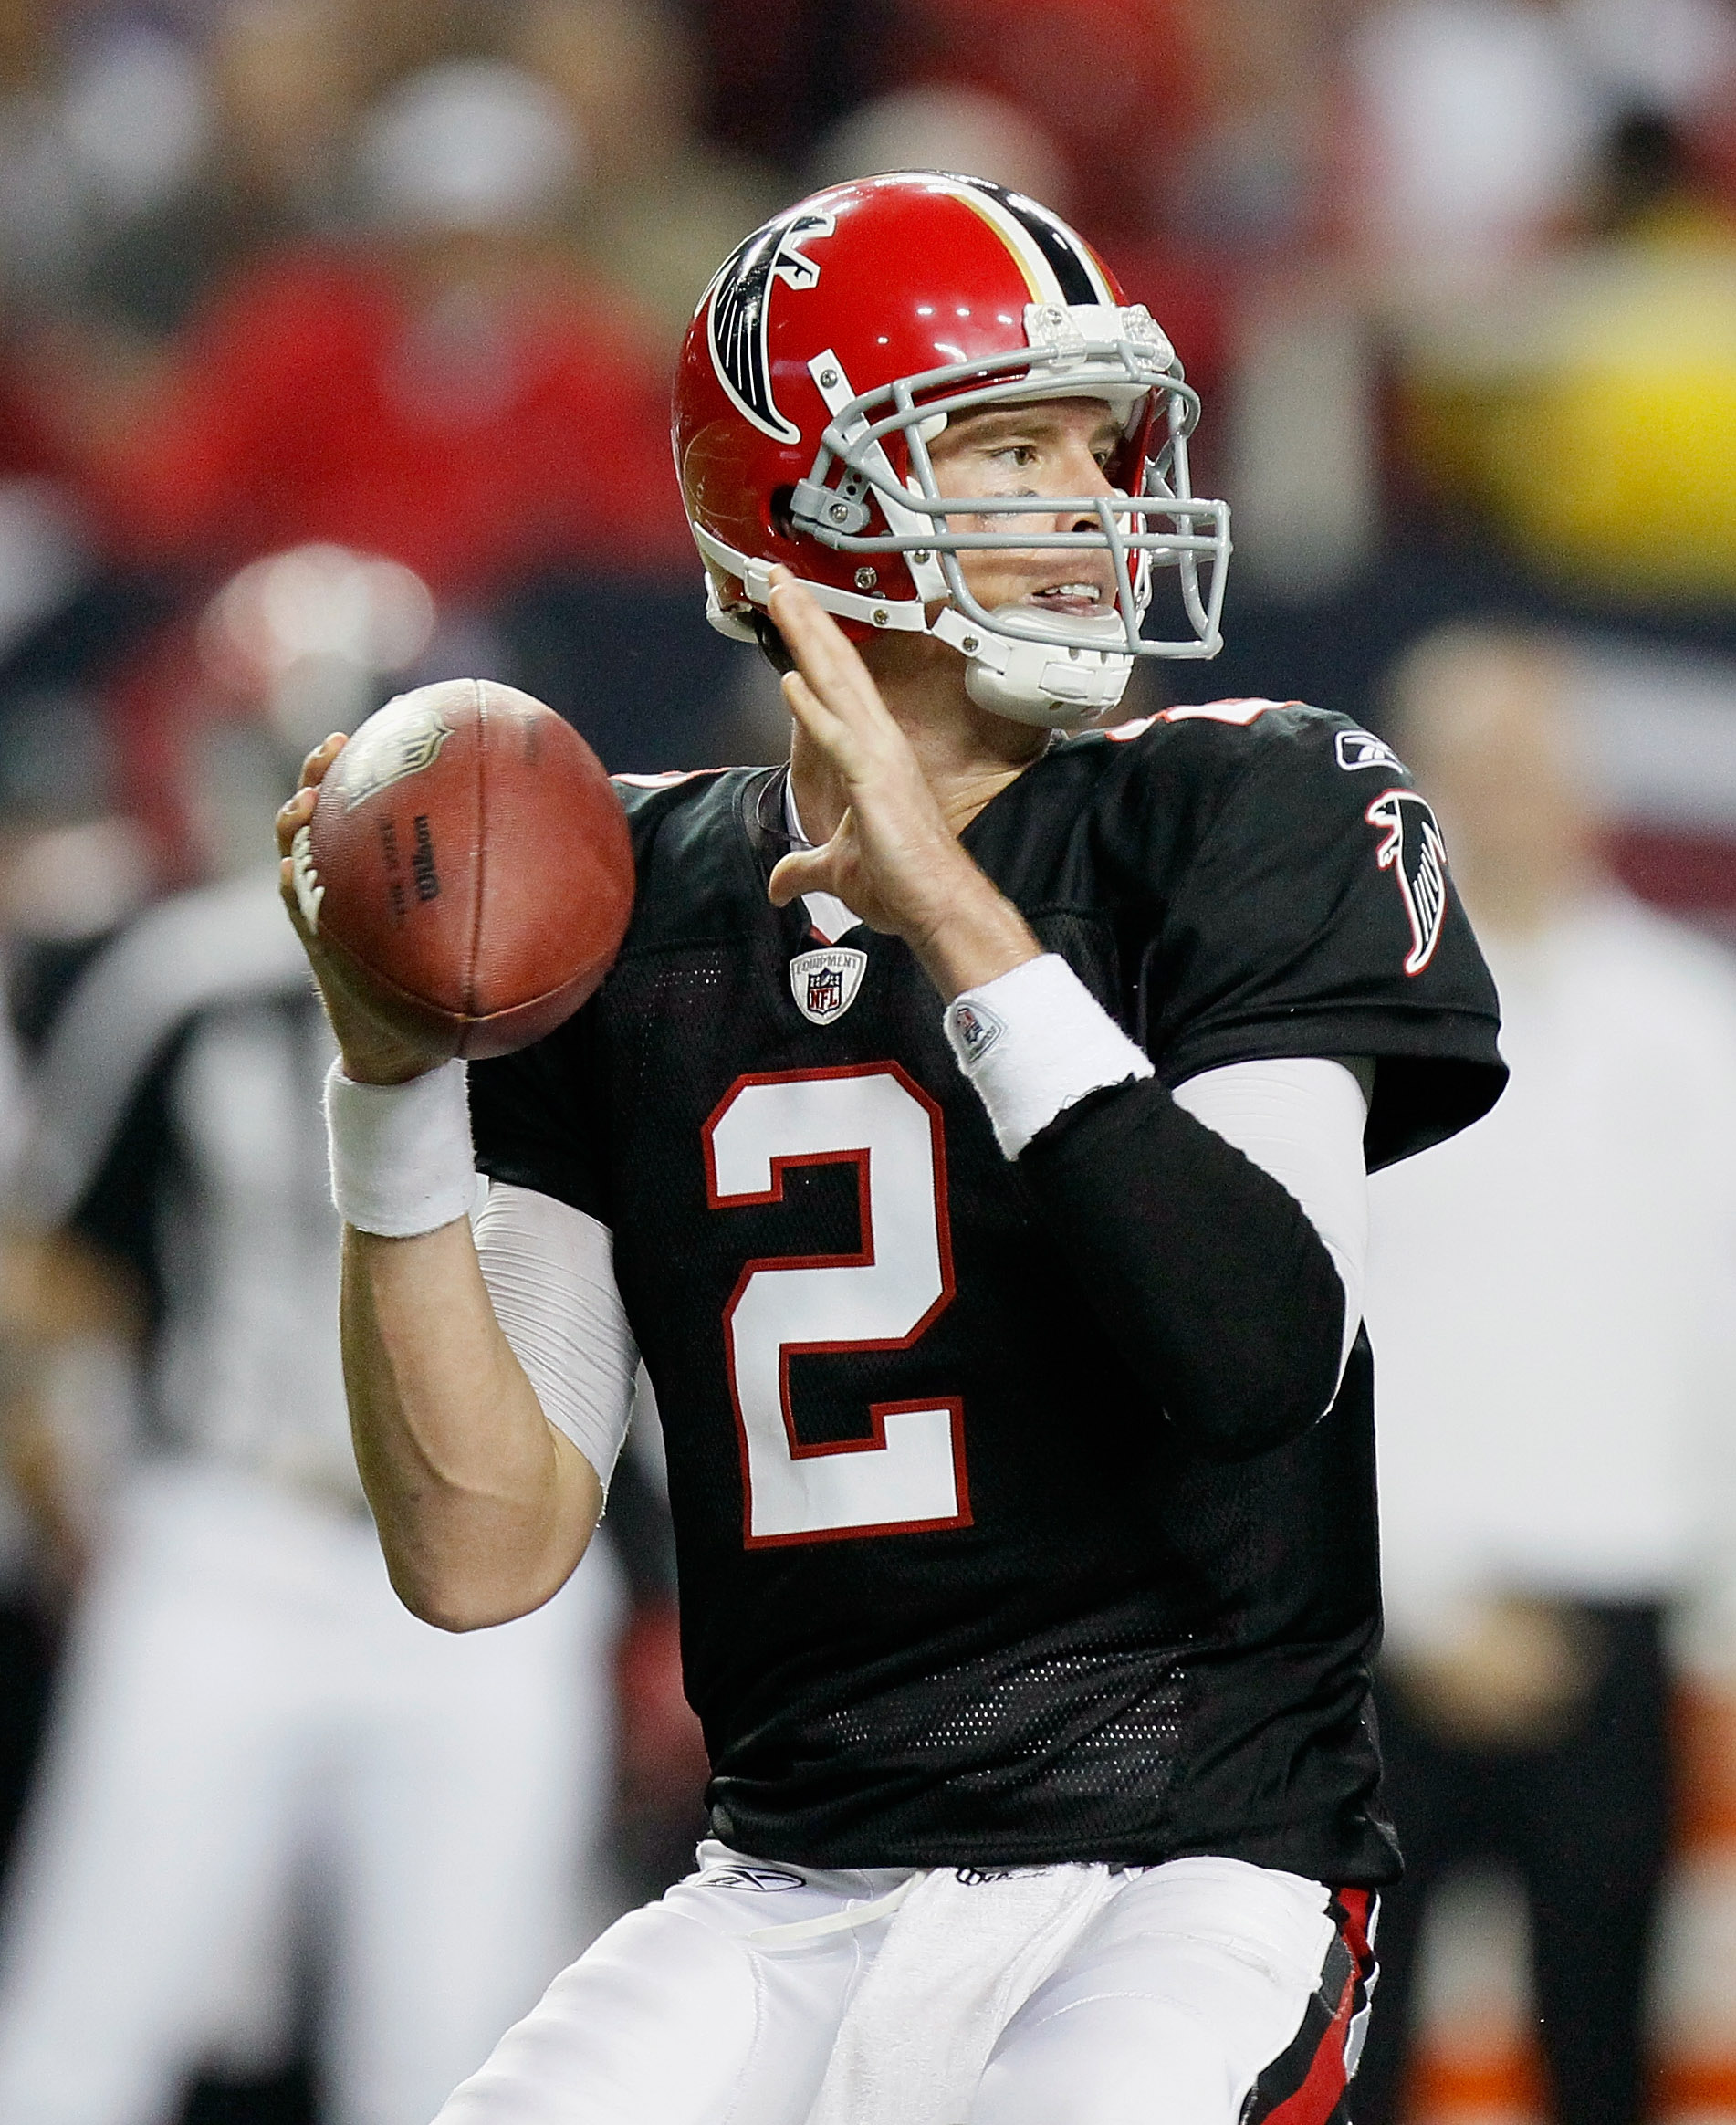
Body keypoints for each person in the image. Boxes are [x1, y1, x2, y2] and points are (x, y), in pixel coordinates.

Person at [277, 172, 1507, 2124]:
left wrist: (961, 925)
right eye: (1009, 447)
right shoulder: (620, 904)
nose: (1092, 505)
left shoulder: (1238, 811)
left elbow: (1263, 1361)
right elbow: (486, 1549)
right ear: (809, 509)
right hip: (777, 1890)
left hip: (1184, 1876)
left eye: (1097, 447)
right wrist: (392, 1091)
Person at [0, 783, 624, 2124]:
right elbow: (53, 1267)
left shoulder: (571, 987)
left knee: (463, 2058)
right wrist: (76, 1492)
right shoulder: (187, 971)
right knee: (80, 2031)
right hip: (232, 1538)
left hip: (497, 1562)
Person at [1353, 623, 1736, 2125]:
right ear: (1412, 793)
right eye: (1473, 767)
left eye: (1533, 763)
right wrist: (1419, 1594)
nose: (1508, 798)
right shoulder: (1340, 1027)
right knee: (1346, 2058)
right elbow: (1300, 1335)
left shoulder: (1692, 1023)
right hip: (1383, 1630)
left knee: (1606, 2053)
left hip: (1617, 1617)